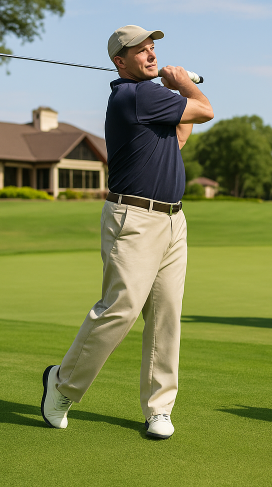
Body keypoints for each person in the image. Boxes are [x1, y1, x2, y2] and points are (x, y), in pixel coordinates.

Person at [40, 25, 214, 439]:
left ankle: (159, 407)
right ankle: (61, 384)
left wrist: (179, 93)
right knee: (120, 309)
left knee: (166, 314)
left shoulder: (152, 99)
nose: (151, 55)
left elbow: (179, 138)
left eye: (153, 48)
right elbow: (206, 111)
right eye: (140, 51)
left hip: (173, 220)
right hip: (134, 220)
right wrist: (186, 85)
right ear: (120, 61)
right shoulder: (134, 95)